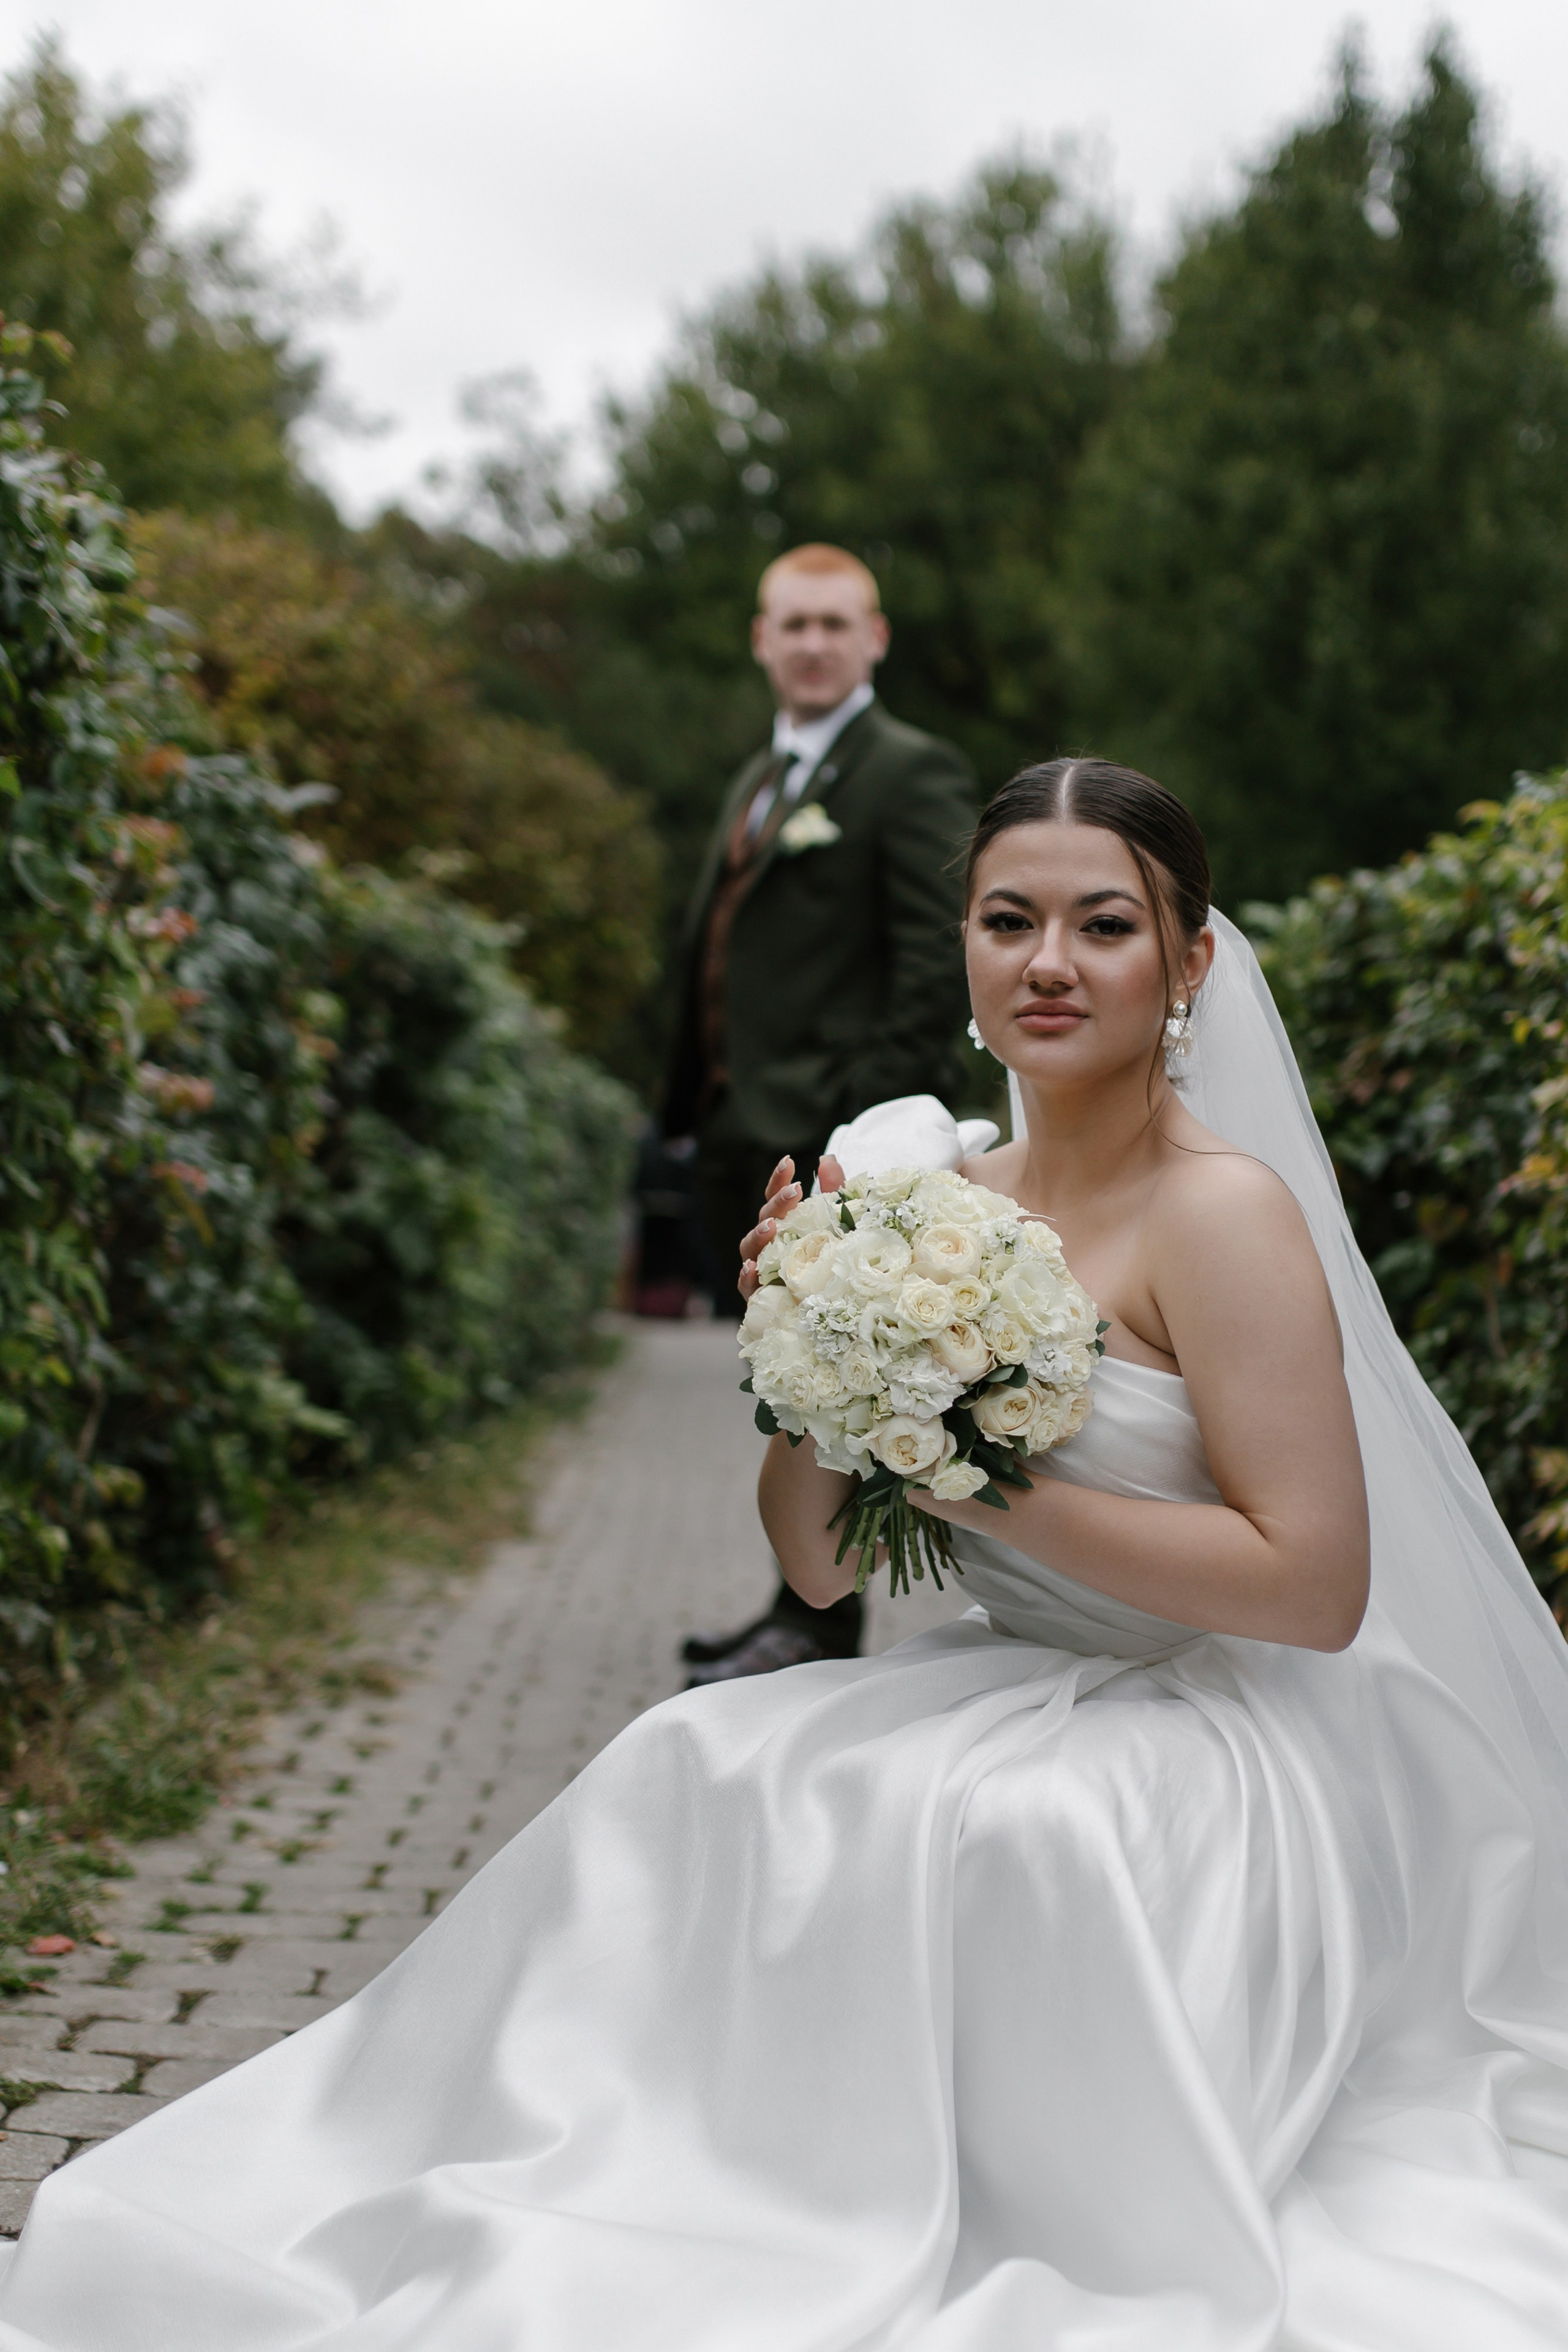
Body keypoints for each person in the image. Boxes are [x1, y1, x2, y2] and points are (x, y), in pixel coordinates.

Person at [7, 760, 1568, 2350]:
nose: (1047, 963)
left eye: (1104, 926)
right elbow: (818, 1571)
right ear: (961, 946)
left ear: (1186, 965)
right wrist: (814, 1344)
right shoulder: (926, 1194)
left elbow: (1314, 1587)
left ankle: (983, 2222)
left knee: (1035, 1837)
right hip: (1002, 1678)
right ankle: (677, 2198)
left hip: (1215, 1729)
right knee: (695, 1759)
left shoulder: (1220, 1216)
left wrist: (974, 1489)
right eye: (1007, 918)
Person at [665, 541, 975, 1679]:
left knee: (835, 1372)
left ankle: (819, 1622)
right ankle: (795, 1603)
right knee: (786, 1373)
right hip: (741, 1124)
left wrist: (861, 1125)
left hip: (835, 1136)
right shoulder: (763, 776)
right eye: (791, 623)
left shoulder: (908, 768)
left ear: (874, 639)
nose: (811, 643)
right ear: (761, 639)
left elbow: (932, 966)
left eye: (834, 624)